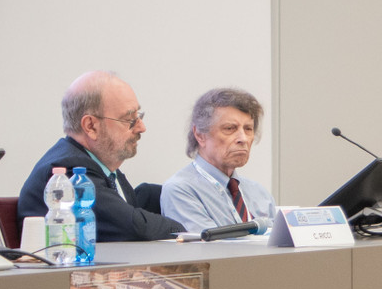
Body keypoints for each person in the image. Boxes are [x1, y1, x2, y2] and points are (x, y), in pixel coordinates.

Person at [18, 71, 185, 242]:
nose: (141, 128)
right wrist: (185, 230)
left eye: (139, 116)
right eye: (129, 119)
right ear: (91, 126)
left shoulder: (107, 170)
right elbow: (135, 227)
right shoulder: (70, 170)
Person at [161, 88, 277, 234]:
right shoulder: (181, 190)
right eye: (230, 128)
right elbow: (210, 250)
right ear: (200, 135)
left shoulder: (260, 194)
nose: (243, 139)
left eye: (248, 129)